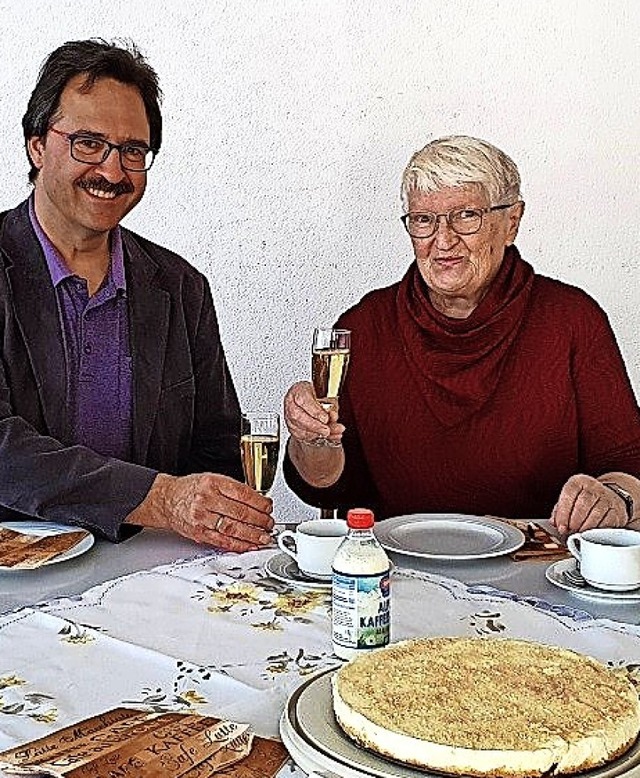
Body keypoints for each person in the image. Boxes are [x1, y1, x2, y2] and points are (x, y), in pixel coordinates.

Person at [283, 135, 640, 536]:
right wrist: (311, 439)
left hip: (536, 567)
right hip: (398, 569)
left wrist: (614, 498)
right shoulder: (365, 325)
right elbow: (328, 488)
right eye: (424, 220)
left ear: (511, 222)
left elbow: (629, 469)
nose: (444, 241)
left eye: (466, 215)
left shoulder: (572, 319)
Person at [0, 39, 273, 552]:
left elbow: (218, 450)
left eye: (132, 151)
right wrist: (161, 498)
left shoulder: (180, 286)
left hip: (145, 578)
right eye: (88, 143)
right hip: (11, 577)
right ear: (37, 144)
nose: (111, 171)